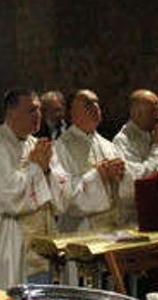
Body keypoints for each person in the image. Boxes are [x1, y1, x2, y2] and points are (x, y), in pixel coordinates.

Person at [0, 89, 109, 289]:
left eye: (39, 110)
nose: (38, 116)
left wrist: (47, 171)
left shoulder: (39, 146)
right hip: (8, 249)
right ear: (11, 113)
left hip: (43, 250)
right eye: (31, 110)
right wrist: (38, 169)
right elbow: (6, 196)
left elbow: (64, 194)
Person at [54, 90, 134, 233]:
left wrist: (121, 175)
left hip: (112, 227)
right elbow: (64, 196)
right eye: (88, 104)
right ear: (71, 112)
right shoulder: (61, 146)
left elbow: (125, 191)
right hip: (80, 230)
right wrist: (99, 175)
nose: (96, 108)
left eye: (97, 104)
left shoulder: (108, 145)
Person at [112, 90, 158, 178]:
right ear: (136, 114)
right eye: (152, 111)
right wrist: (157, 145)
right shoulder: (122, 141)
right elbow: (141, 176)